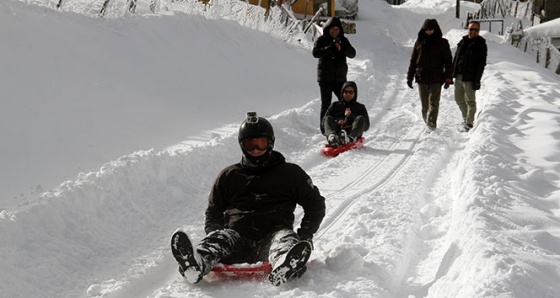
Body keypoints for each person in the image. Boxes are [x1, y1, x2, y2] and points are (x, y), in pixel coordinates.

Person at [171, 112, 326, 286]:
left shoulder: (290, 173)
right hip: (237, 239)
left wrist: (305, 234)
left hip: (272, 237)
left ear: (271, 143)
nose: (256, 150)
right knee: (219, 239)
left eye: (261, 144)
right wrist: (214, 231)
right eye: (250, 145)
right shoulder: (229, 176)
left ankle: (285, 263)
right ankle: (197, 263)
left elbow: (315, 204)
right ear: (242, 146)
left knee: (284, 238)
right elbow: (213, 211)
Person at [406, 18, 453, 131]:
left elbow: (448, 61)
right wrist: (409, 77)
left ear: (435, 29)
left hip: (436, 78)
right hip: (422, 77)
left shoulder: (443, 43)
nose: (429, 31)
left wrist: (448, 78)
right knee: (425, 106)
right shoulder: (419, 42)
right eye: (426, 29)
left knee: (434, 103)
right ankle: (427, 121)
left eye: (431, 29)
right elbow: (413, 61)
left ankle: (431, 125)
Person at [312, 16, 356, 135]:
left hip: (340, 78)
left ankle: (345, 125)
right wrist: (331, 48)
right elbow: (315, 53)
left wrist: (344, 48)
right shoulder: (322, 40)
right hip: (325, 78)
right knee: (326, 104)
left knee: (345, 102)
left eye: (337, 29)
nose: (335, 32)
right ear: (328, 29)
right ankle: (325, 129)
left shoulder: (344, 40)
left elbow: (353, 54)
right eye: (332, 29)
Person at [452, 20, 487, 132]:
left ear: (479, 31)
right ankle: (466, 118)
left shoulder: (481, 44)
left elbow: (481, 64)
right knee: (458, 99)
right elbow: (456, 58)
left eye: (475, 30)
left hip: (470, 78)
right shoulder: (463, 42)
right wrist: (451, 73)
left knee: (470, 101)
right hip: (459, 76)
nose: (473, 31)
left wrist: (477, 80)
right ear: (468, 29)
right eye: (471, 29)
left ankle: (469, 123)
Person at [323, 81, 369, 147]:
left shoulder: (360, 107)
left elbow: (366, 126)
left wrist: (351, 116)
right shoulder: (334, 105)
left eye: (351, 92)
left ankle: (349, 139)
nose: (348, 94)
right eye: (345, 92)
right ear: (342, 92)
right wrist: (337, 121)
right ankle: (333, 138)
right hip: (337, 131)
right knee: (328, 118)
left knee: (361, 118)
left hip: (352, 132)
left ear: (355, 93)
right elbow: (323, 123)